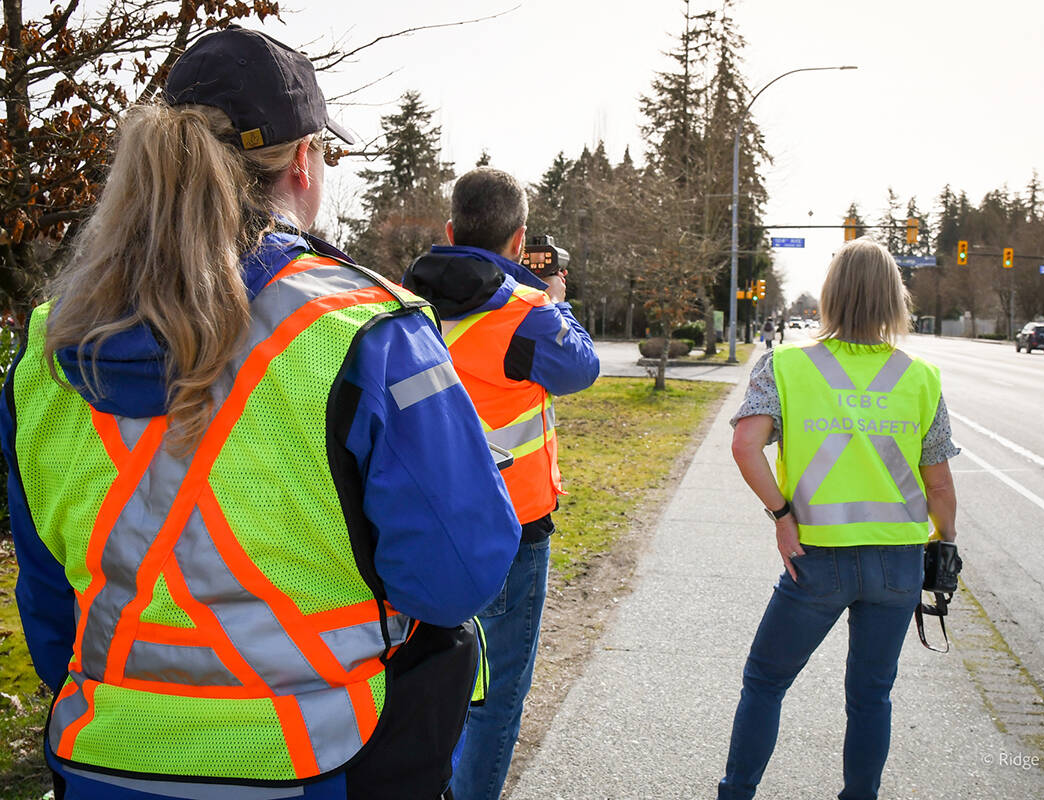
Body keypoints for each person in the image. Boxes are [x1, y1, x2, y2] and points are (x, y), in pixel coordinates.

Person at [0, 27, 520, 800]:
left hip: (104, 757)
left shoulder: (48, 343)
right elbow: (456, 579)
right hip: (320, 762)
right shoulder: (370, 329)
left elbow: (47, 600)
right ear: (304, 161)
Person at [718, 239, 959, 800]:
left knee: (765, 683)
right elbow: (940, 484)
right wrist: (944, 546)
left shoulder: (786, 366)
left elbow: (745, 447)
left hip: (815, 562)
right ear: (893, 301)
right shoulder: (921, 378)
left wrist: (781, 514)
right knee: (872, 696)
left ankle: (737, 793)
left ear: (830, 296)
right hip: (898, 566)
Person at [402, 167, 600, 800]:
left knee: (420, 683)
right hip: (513, 531)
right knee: (497, 697)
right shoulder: (529, 314)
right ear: (519, 242)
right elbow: (582, 368)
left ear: (451, 231)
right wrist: (554, 298)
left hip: (420, 526)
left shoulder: (398, 305)